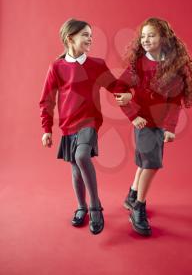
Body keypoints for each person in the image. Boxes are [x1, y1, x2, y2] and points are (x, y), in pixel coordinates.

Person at [39, 18, 131, 235]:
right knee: (75, 168)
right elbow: (47, 100)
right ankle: (82, 207)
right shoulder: (57, 67)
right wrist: (46, 130)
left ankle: (95, 207)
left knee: (81, 157)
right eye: (85, 35)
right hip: (67, 124)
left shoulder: (97, 65)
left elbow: (115, 85)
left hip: (89, 121)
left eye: (91, 35)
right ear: (70, 38)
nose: (90, 39)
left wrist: (128, 93)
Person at [115, 17, 192, 236]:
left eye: (151, 35)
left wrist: (170, 127)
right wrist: (133, 116)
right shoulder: (139, 65)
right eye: (143, 36)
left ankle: (132, 196)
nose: (145, 39)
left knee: (146, 162)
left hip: (159, 125)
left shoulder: (173, 66)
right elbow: (120, 90)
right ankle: (138, 207)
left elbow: (174, 101)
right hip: (144, 122)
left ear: (164, 38)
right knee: (152, 164)